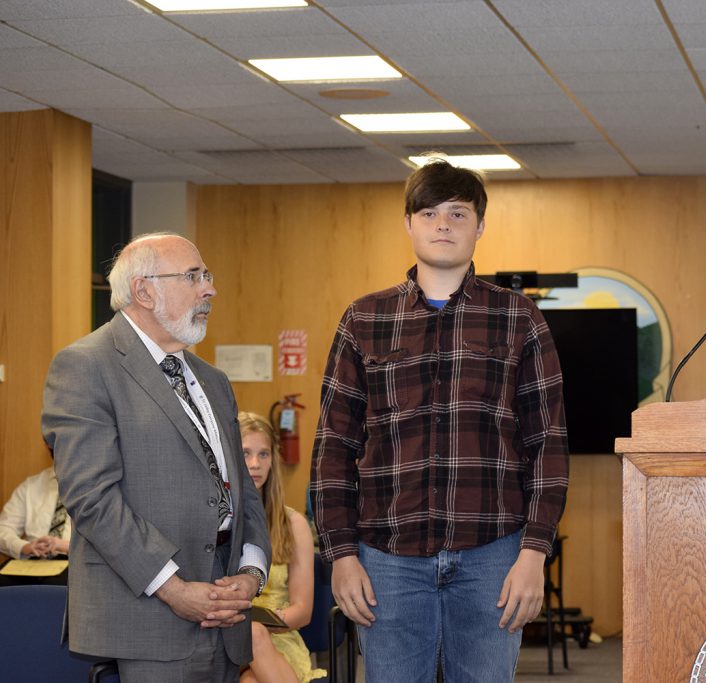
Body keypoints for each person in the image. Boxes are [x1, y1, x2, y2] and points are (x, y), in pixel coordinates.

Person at [310, 158, 569, 682]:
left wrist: (534, 553)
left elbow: (548, 445)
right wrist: (340, 555)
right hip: (386, 557)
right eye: (429, 213)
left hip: (493, 555)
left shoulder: (519, 318)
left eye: (458, 213)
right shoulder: (364, 319)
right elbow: (334, 448)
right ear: (408, 224)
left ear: (480, 227)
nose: (443, 224)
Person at [41, 233, 271, 683]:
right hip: (147, 615)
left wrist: (250, 573)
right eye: (193, 276)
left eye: (207, 276)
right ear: (144, 290)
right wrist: (173, 588)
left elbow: (241, 490)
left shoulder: (213, 380)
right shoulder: (86, 366)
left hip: (226, 614)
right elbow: (92, 499)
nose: (210, 289)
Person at [239, 411, 326, 683]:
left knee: (251, 669)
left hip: (278, 641)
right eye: (245, 453)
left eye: (263, 454)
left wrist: (265, 622)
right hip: (225, 642)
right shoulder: (216, 523)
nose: (255, 464)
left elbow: (302, 611)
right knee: (250, 636)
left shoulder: (293, 523)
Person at [0, 464, 71, 586]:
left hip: (71, 560)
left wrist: (64, 546)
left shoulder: (97, 487)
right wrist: (24, 547)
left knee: (56, 587)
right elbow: (4, 528)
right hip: (31, 559)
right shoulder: (31, 485)